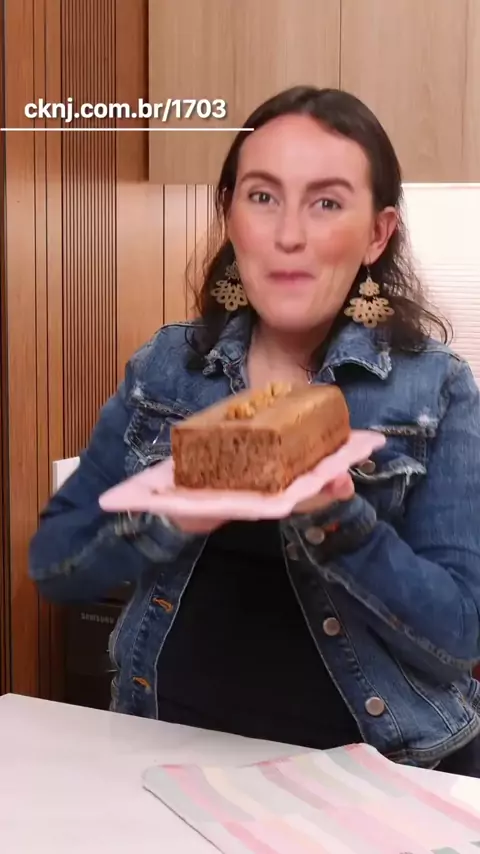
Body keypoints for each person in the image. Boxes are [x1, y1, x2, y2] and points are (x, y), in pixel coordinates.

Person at [29, 86, 480, 776]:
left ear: (377, 233)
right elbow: (57, 563)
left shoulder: (435, 388)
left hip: (380, 777)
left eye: (326, 203)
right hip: (169, 763)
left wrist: (340, 521)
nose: (287, 234)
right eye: (263, 196)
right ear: (230, 215)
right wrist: (169, 514)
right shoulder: (166, 368)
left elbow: (459, 638)